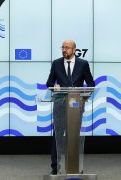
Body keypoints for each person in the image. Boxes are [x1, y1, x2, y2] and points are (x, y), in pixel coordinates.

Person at [46, 40, 95, 175]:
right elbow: (49, 82)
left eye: (67, 48)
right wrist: (54, 86)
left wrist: (84, 95)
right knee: (58, 136)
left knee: (73, 136)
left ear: (74, 50)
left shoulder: (83, 64)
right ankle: (55, 168)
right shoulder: (56, 63)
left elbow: (91, 83)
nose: (64, 50)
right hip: (60, 104)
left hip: (76, 105)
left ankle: (74, 167)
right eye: (63, 47)